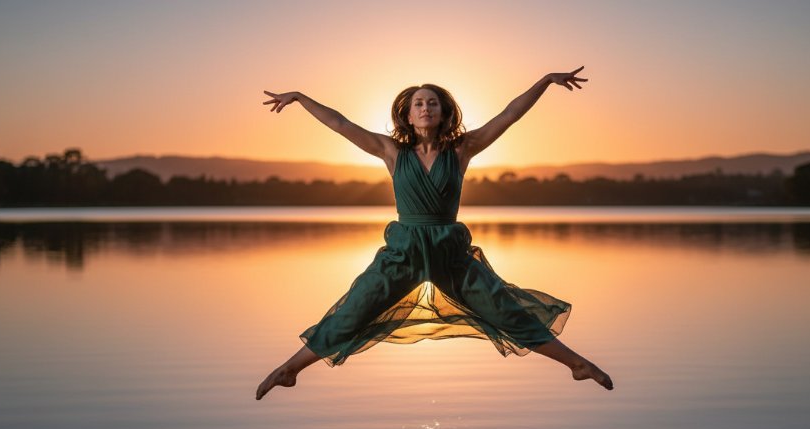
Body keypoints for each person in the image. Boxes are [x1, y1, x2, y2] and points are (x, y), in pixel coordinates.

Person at [256, 66, 613, 400]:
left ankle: (577, 365)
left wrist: (546, 81)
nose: (425, 107)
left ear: (443, 112)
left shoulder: (461, 150)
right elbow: (340, 123)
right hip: (403, 254)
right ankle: (290, 369)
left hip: (449, 254)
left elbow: (509, 115)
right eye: (418, 103)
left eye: (432, 102)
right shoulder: (391, 151)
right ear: (407, 114)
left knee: (507, 312)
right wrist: (301, 98)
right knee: (352, 312)